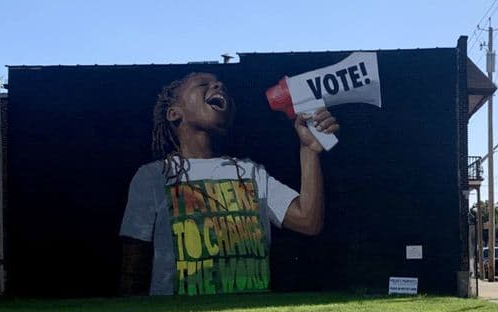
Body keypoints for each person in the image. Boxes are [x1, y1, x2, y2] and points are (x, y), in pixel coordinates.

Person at [119, 72, 338, 296]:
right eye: (203, 84)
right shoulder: (153, 177)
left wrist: (309, 150)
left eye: (220, 84)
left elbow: (308, 220)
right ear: (174, 113)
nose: (218, 85)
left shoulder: (250, 172)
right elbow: (133, 267)